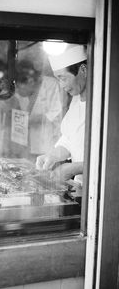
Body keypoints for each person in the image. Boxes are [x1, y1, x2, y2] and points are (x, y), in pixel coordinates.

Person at [36, 43, 87, 184]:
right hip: (82, 186)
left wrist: (73, 168)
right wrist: (52, 156)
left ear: (83, 70)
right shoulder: (76, 100)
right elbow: (69, 139)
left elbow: (111, 159)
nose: (61, 85)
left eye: (63, 78)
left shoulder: (108, 105)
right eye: (57, 79)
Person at [15, 59, 69, 161]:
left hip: (49, 145)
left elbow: (58, 113)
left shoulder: (52, 85)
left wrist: (33, 120)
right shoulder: (22, 90)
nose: (18, 91)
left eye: (19, 88)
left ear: (30, 81)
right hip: (27, 145)